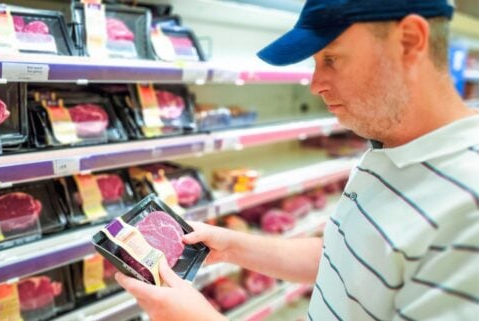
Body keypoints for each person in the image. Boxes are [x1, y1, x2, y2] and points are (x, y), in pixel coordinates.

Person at [115, 0, 479, 320]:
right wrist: (234, 246)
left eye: (331, 58)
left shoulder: (468, 211)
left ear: (410, 41)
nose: (315, 83)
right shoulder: (388, 151)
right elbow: (347, 257)